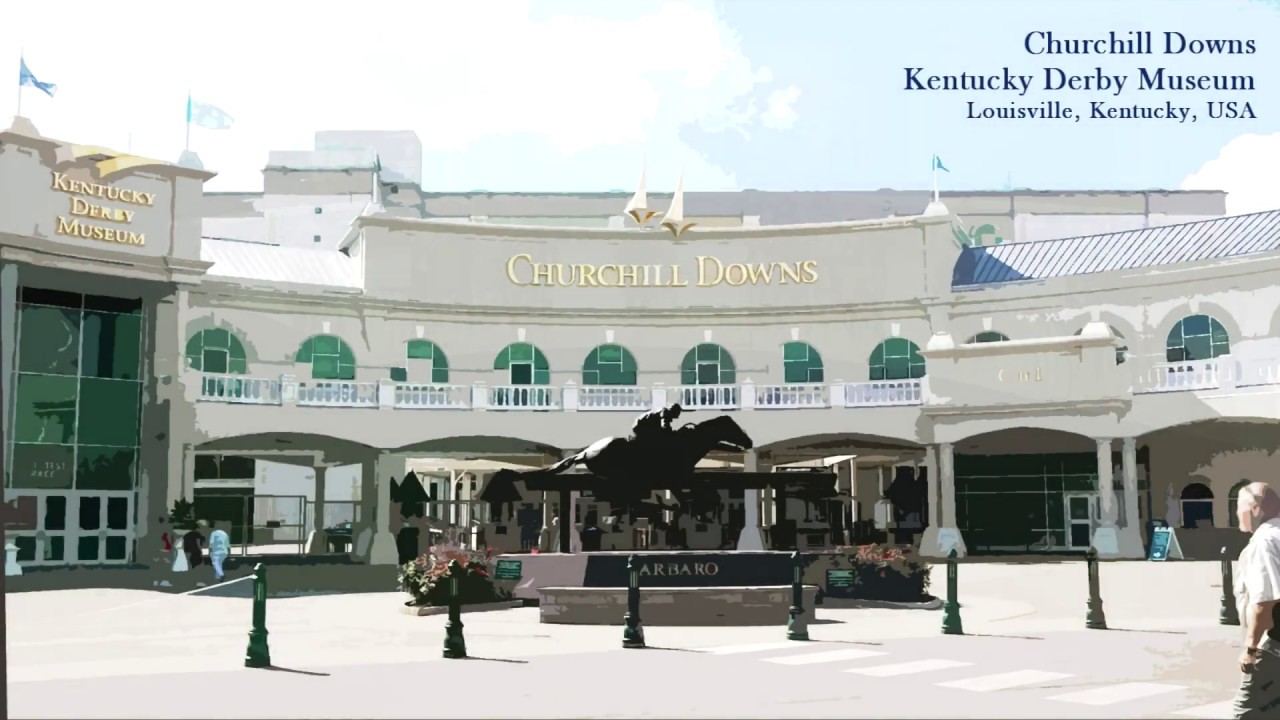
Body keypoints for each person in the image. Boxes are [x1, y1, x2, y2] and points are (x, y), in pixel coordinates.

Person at [1232, 481, 1280, 719]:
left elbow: (1265, 601)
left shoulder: (1264, 542)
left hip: (1273, 649)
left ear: (1255, 509)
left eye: (1238, 506)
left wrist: (1251, 649)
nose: (1236, 514)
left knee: (1247, 713)